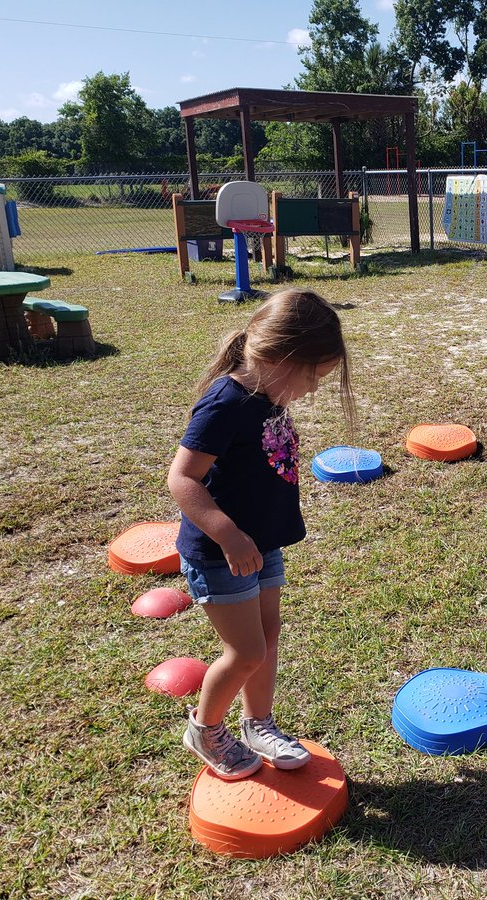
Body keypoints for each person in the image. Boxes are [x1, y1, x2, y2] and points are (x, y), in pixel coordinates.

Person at [167, 289, 354, 779]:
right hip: (220, 552)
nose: (313, 388)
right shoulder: (226, 403)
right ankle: (204, 730)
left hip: (261, 543)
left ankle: (258, 724)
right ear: (279, 356)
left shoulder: (268, 392)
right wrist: (228, 535)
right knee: (246, 651)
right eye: (313, 375)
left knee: (267, 638)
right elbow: (181, 479)